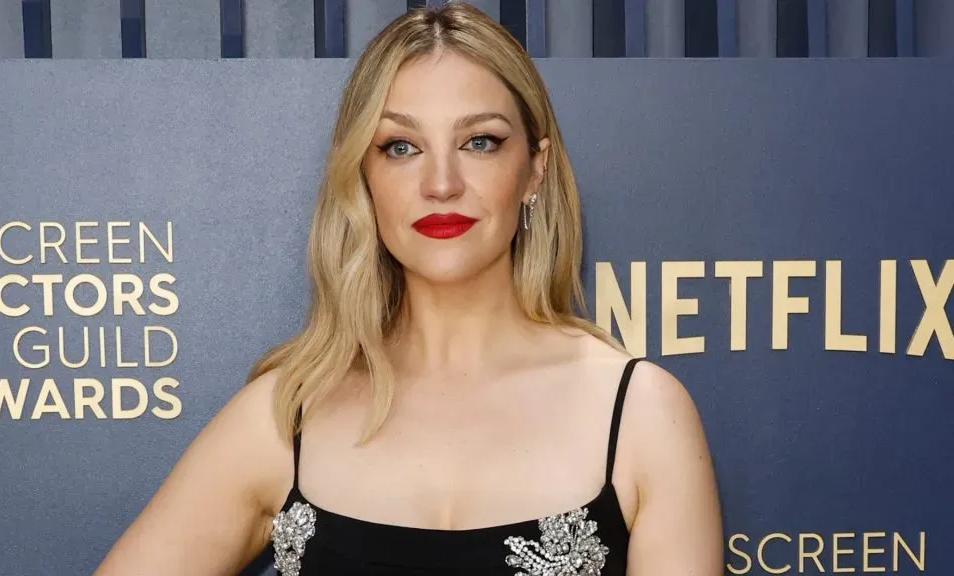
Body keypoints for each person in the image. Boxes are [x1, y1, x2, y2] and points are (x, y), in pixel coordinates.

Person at [94, 2, 723, 575]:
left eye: (480, 142)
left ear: (535, 169)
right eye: (401, 147)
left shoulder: (641, 416)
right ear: (362, 177)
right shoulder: (287, 416)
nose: (441, 183)